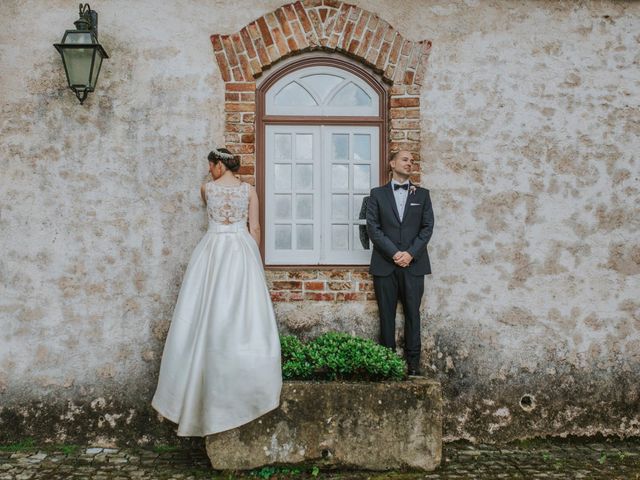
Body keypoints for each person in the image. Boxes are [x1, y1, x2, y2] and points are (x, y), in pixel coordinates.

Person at [151, 147, 282, 437]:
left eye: (211, 165)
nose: (209, 170)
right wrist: (255, 263)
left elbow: (212, 218)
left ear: (219, 165)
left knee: (205, 306)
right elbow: (255, 228)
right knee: (243, 308)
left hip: (212, 249)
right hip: (241, 248)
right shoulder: (249, 190)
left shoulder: (206, 189)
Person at [366, 150, 434, 376]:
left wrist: (410, 254)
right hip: (385, 265)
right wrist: (395, 253)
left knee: (413, 314)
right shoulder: (376, 195)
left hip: (414, 265)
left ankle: (413, 365)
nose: (410, 163)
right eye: (405, 159)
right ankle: (387, 363)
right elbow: (373, 228)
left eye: (412, 160)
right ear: (392, 163)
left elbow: (427, 228)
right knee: (386, 314)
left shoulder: (422, 195)